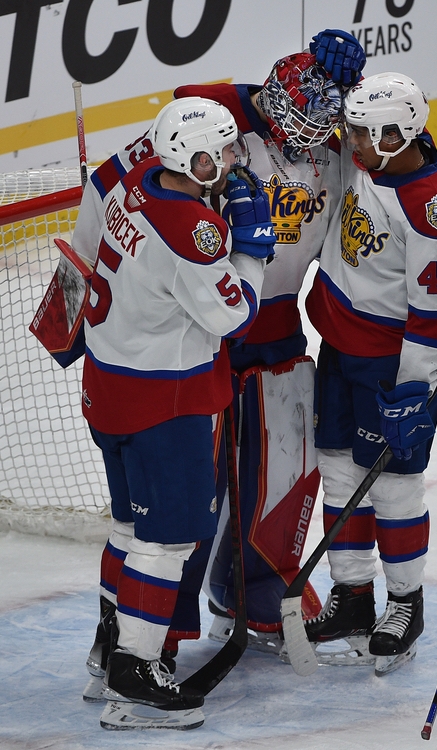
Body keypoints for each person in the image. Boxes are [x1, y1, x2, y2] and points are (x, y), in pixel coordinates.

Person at [73, 31, 365, 676]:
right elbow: (107, 188)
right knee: (181, 496)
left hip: (279, 326)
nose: (300, 138)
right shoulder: (211, 125)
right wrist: (86, 287)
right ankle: (154, 635)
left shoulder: (337, 150)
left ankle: (256, 595)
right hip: (195, 336)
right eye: (289, 120)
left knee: (282, 472)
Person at [77, 96, 273, 729]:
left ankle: (109, 649)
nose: (232, 161)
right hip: (164, 402)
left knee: (130, 531)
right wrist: (252, 249)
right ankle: (133, 675)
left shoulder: (135, 185)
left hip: (109, 387)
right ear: (192, 156)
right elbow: (235, 314)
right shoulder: (192, 231)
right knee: (167, 542)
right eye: (222, 152)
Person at [303, 72, 437, 675]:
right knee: (338, 472)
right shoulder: (370, 162)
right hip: (339, 349)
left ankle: (407, 603)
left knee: (393, 486)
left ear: (391, 135)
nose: (345, 139)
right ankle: (353, 597)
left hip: (391, 366)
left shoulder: (432, 209)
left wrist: (415, 388)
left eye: (357, 131)